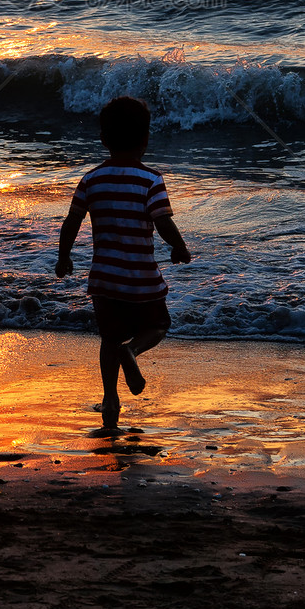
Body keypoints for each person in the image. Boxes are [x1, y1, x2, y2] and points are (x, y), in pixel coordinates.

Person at [55, 94, 191, 429]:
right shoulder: (151, 180)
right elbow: (163, 222)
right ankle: (134, 351)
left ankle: (110, 398)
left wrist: (64, 255)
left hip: (104, 278)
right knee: (158, 326)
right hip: (141, 276)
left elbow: (71, 222)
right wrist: (179, 247)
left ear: (104, 139)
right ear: (145, 139)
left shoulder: (91, 179)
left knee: (109, 338)